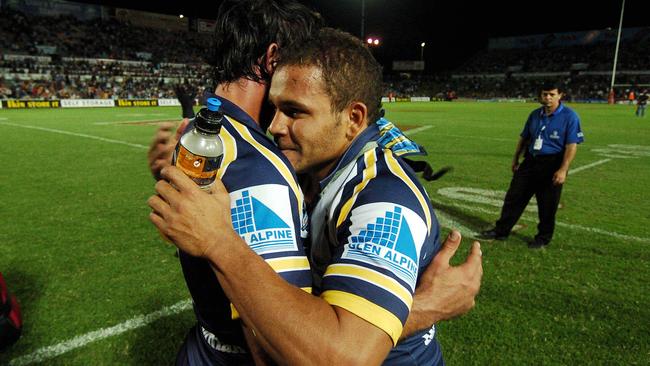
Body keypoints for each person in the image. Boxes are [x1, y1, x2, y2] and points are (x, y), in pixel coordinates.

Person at [148, 28, 482, 365]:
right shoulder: (314, 172)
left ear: (353, 119)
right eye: (275, 108)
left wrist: (218, 241)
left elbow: (344, 358)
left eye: (295, 112)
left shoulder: (386, 199)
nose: (276, 126)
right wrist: (423, 305)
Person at [148, 1, 321, 364]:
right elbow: (275, 338)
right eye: (300, 63)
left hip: (203, 346)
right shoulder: (258, 164)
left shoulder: (197, 134)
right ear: (273, 58)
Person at [479, 83, 584, 249]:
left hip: (552, 163)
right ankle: (501, 231)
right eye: (544, 94)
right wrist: (515, 159)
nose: (547, 98)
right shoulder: (535, 114)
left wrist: (563, 169)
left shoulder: (570, 116)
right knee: (514, 198)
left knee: (547, 204)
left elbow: (572, 145)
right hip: (530, 161)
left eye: (551, 94)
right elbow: (524, 138)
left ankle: (543, 238)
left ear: (560, 95)